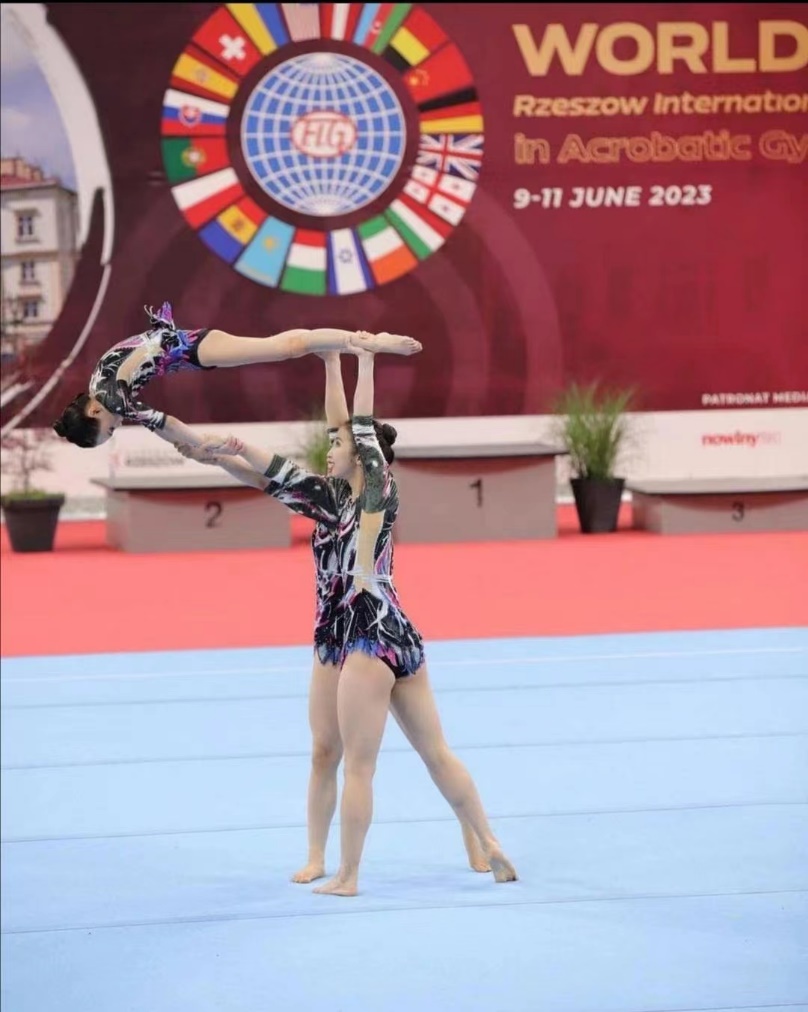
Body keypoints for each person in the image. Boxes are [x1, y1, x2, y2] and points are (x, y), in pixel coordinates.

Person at [182, 341, 517, 896]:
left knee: (361, 764)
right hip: (365, 635)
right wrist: (329, 361)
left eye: (337, 445)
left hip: (365, 634)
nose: (329, 447)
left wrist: (368, 356)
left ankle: (349, 874)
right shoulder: (328, 498)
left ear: (364, 456)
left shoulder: (378, 491)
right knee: (340, 751)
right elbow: (268, 475)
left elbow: (332, 436)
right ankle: (480, 840)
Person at [52, 301, 421, 449]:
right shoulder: (101, 390)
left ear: (94, 412)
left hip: (188, 348)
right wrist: (190, 445)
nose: (116, 427)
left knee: (284, 347)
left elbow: (165, 421)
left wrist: (198, 444)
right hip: (183, 354)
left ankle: (366, 341)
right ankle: (350, 344)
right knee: (284, 347)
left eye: (109, 430)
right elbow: (162, 424)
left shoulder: (111, 398)